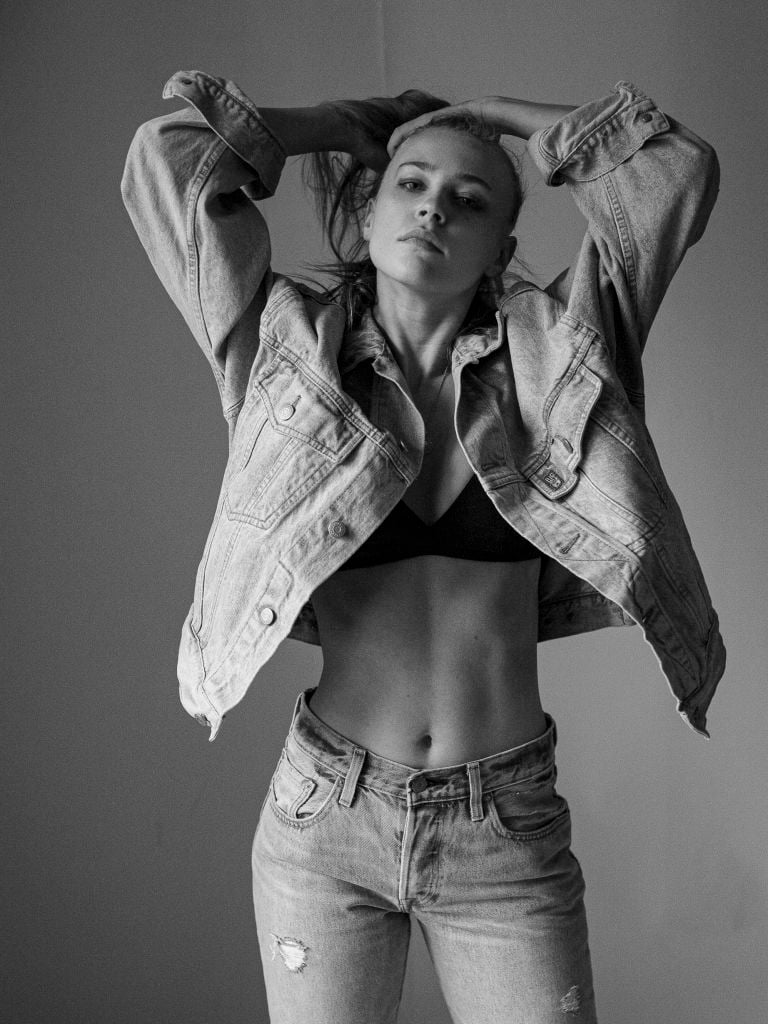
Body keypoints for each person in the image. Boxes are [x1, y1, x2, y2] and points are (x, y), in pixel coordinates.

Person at [122, 69, 724, 1024]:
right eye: (411, 184)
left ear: (501, 250)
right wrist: (337, 125)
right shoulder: (286, 351)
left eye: (469, 198)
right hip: (325, 815)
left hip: (504, 824)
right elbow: (166, 162)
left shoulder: (565, 352)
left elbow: (675, 170)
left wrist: (503, 118)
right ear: (368, 215)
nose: (435, 207)